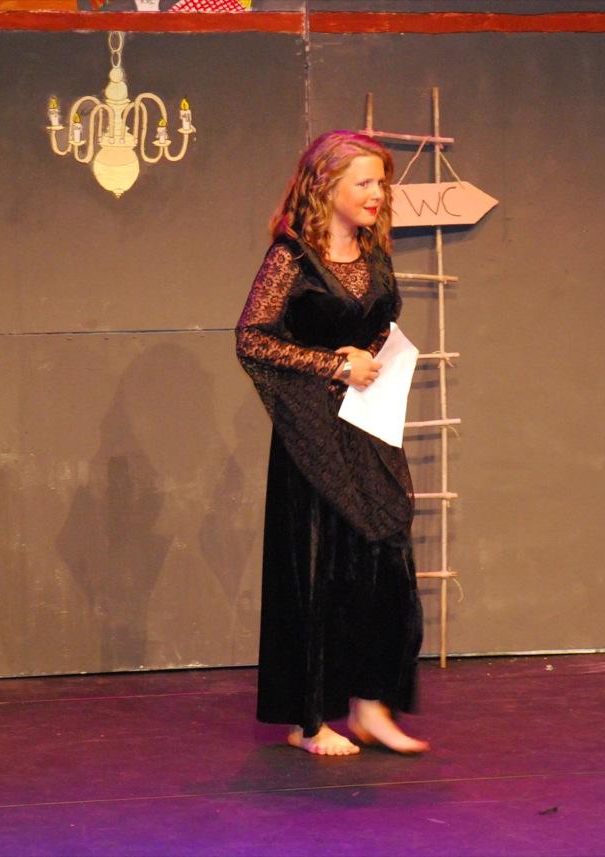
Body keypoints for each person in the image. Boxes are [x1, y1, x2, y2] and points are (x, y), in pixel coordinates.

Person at [235, 130, 428, 756]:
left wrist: (366, 354)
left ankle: (372, 705)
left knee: (384, 559)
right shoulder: (291, 257)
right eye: (363, 182)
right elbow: (252, 339)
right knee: (314, 570)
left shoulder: (373, 253)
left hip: (367, 425)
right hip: (311, 435)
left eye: (381, 183)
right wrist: (333, 365)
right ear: (325, 186)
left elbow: (378, 327)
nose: (377, 194)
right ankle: (309, 720)